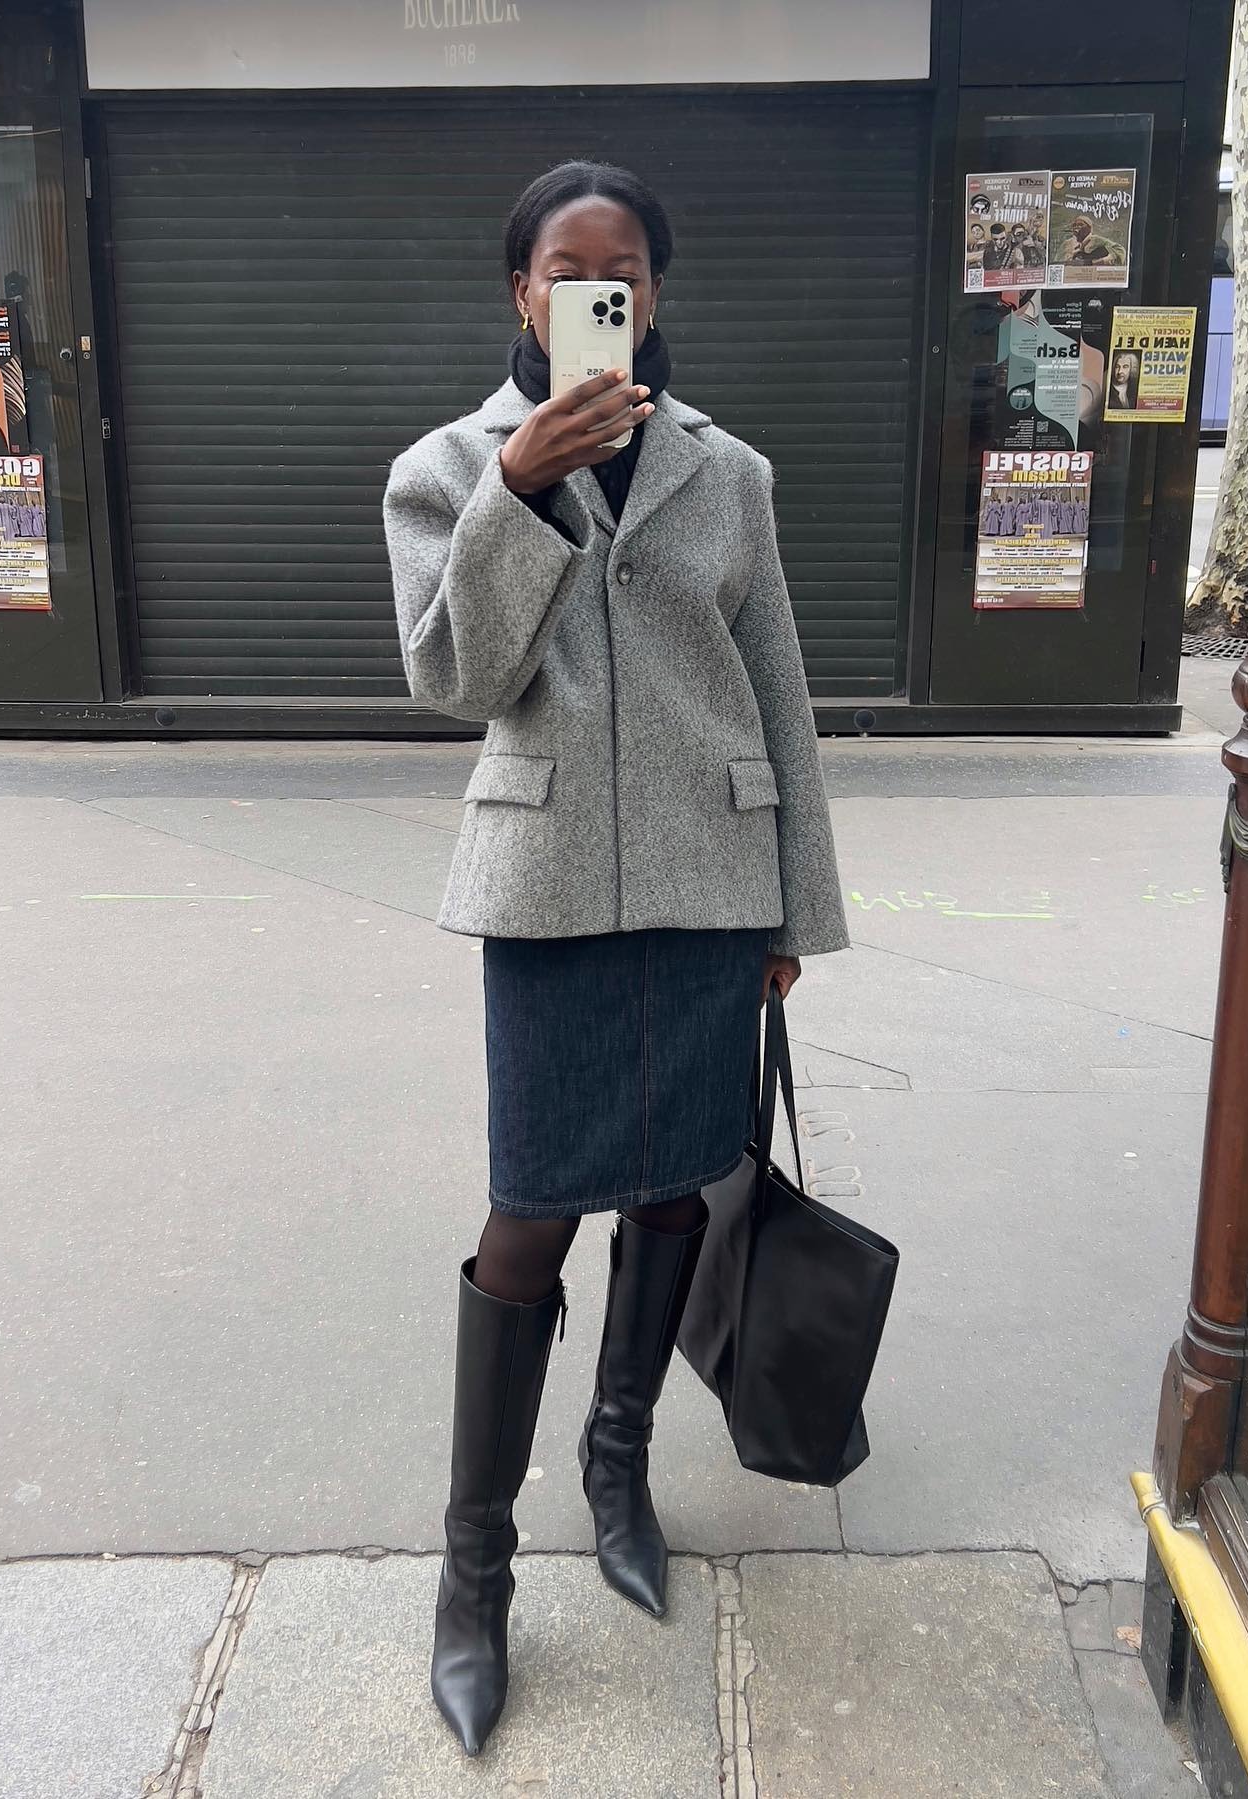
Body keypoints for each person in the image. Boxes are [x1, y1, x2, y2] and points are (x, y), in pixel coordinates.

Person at [383, 161, 848, 1758]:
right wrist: (518, 489)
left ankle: (619, 1460)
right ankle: (474, 1571)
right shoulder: (444, 470)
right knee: (529, 1215)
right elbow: (454, 675)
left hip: (714, 881)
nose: (602, 285)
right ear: (521, 290)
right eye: (569, 265)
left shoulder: (731, 474)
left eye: (627, 265)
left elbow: (776, 689)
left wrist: (795, 911)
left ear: (654, 288)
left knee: (673, 1190)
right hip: (548, 887)